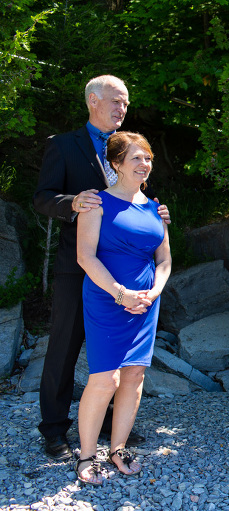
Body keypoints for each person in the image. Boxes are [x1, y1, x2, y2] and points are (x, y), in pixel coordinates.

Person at [33, 75, 170, 459]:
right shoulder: (63, 146)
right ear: (93, 100)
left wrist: (156, 217)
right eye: (116, 102)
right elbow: (41, 198)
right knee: (64, 345)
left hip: (128, 273)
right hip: (80, 266)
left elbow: (135, 199)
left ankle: (112, 427)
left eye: (125, 104)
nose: (121, 109)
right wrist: (73, 202)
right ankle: (55, 430)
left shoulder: (128, 148)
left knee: (124, 356)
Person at [74, 132, 171, 485]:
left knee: (134, 375)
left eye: (147, 158)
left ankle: (118, 448)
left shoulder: (155, 207)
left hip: (146, 302)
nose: (144, 164)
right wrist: (120, 294)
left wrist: (154, 292)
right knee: (105, 378)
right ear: (116, 164)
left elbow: (164, 259)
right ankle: (86, 455)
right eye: (136, 158)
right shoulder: (96, 203)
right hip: (106, 298)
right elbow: (85, 256)